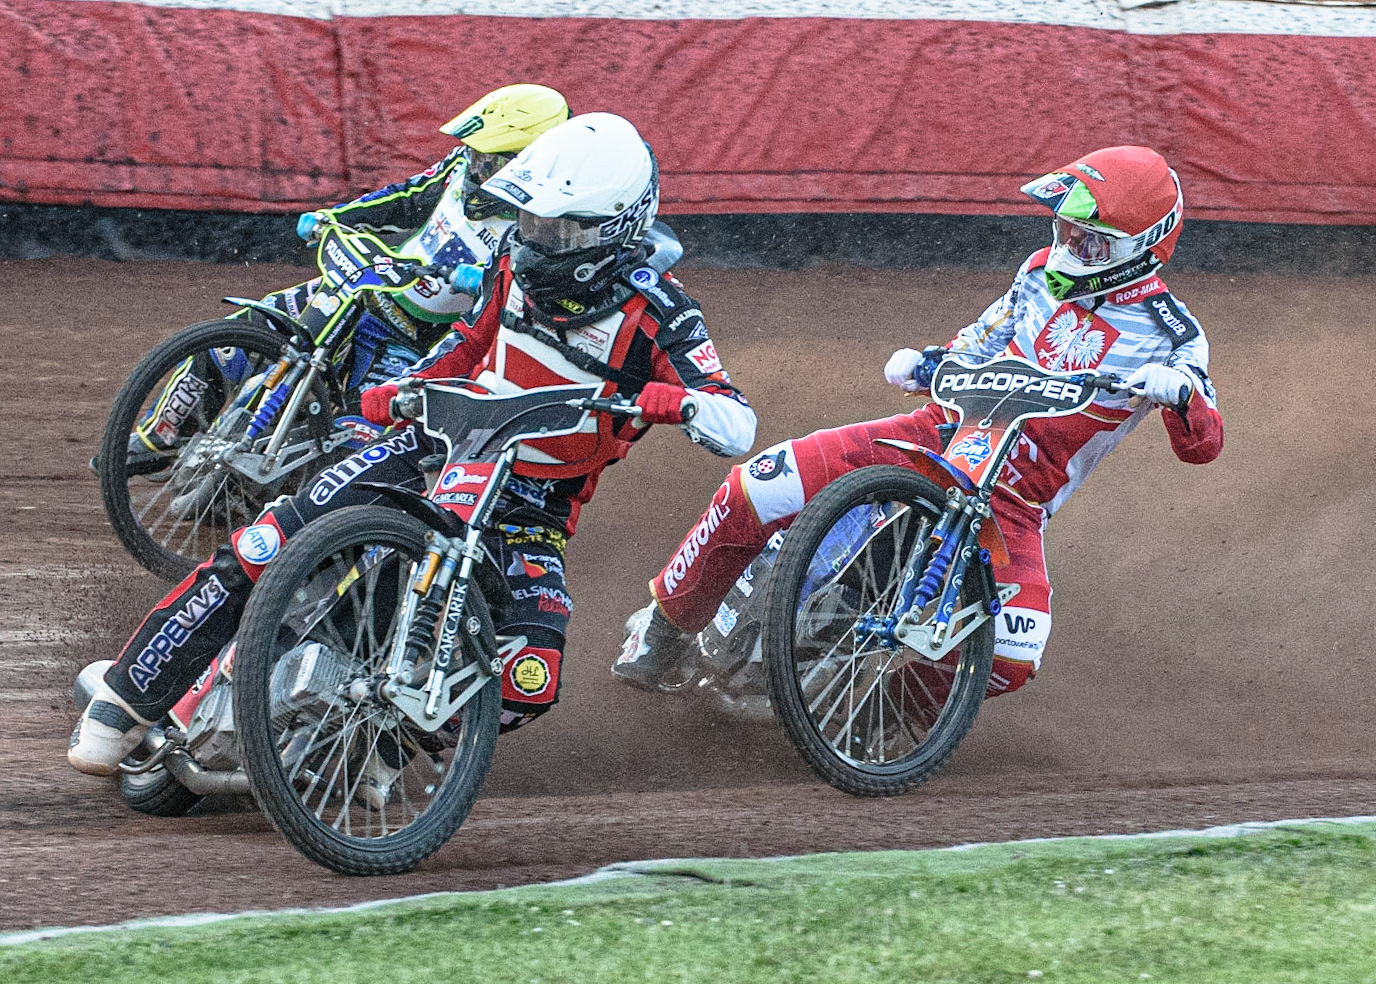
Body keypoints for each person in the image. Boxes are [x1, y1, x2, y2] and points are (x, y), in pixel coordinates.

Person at [70, 112, 757, 775]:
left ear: (615, 228)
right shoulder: (510, 266)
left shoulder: (663, 311)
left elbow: (736, 423)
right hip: (440, 450)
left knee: (527, 682)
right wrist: (409, 386)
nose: (536, 238)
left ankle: (369, 746)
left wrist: (669, 400)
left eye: (558, 228)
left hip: (532, 509)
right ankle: (129, 696)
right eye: (529, 221)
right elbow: (464, 346)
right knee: (272, 539)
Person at [614, 145, 1224, 703]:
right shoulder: (1037, 272)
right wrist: (932, 360)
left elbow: (1205, 445)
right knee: (759, 484)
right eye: (1064, 227)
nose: (1068, 246)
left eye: (1089, 241)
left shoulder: (1173, 334)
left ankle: (871, 711)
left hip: (1011, 499)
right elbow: (981, 338)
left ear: (1142, 247)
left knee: (1011, 656)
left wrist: (1183, 397)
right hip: (930, 435)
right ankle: (665, 630)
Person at [125, 84, 571, 460]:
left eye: (490, 160)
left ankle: (313, 531)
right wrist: (336, 216)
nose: (477, 167)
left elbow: (535, 294)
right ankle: (159, 436)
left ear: (530, 162)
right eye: (474, 154)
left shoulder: (545, 224)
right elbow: (404, 198)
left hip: (418, 339)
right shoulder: (457, 169)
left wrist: (488, 281)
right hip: (367, 285)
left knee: (359, 439)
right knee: (230, 336)